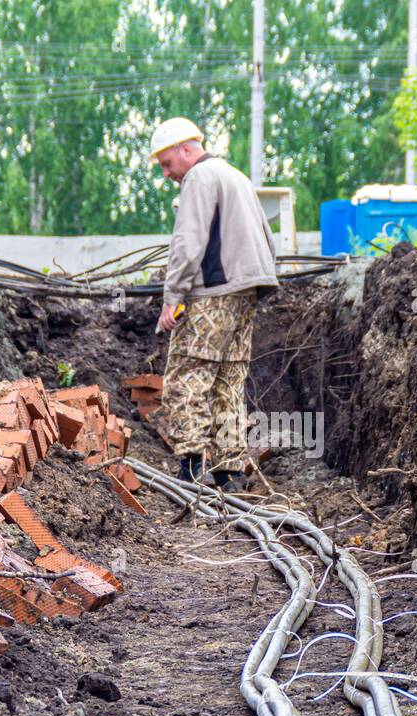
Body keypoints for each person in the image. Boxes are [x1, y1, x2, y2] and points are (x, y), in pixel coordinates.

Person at [150, 117, 278, 489]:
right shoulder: (235, 175)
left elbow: (187, 244)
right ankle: (229, 475)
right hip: (246, 293)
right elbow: (268, 238)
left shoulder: (199, 178)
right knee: (228, 384)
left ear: (186, 150)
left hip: (213, 293)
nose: (166, 173)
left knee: (186, 378)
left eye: (166, 163)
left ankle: (189, 473)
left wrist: (172, 297)